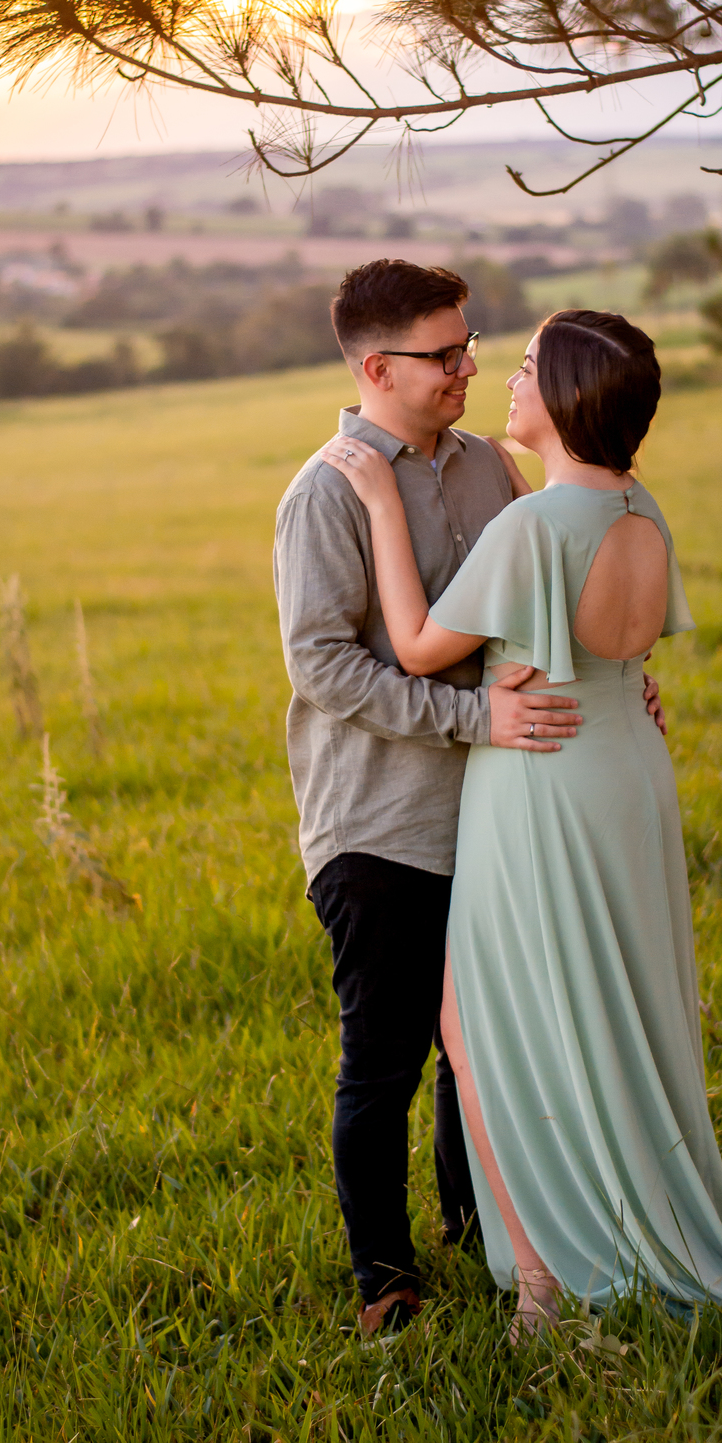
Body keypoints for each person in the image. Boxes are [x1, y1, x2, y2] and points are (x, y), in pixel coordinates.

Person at [322, 307, 722, 1338]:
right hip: (627, 764)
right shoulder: (639, 509)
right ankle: (622, 1219)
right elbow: (600, 615)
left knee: (478, 1030)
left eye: (524, 367)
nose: (504, 381)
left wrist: (380, 497)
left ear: (562, 398)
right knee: (616, 1011)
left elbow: (418, 646)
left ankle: (542, 1285)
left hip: (541, 782)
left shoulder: (530, 530)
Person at [273, 262, 665, 1337]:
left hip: (502, 809)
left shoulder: (492, 464)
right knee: (385, 1059)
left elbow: (552, 595)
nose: (468, 367)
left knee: (486, 1044)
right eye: (445, 354)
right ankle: (385, 1283)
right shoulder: (326, 493)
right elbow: (326, 670)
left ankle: (484, 1235)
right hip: (382, 822)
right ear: (377, 368)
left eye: (470, 345)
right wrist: (473, 719)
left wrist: (617, 678)